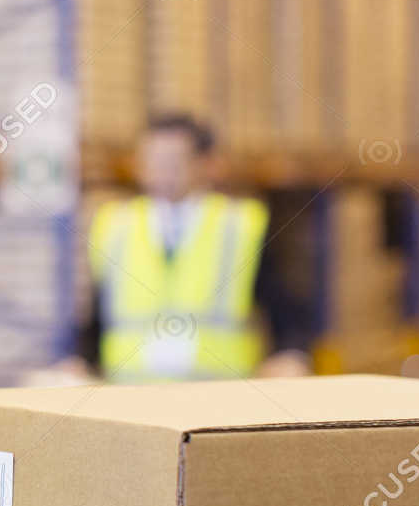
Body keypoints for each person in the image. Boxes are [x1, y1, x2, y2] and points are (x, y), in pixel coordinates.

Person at [59, 114, 312, 383]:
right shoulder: (115, 225)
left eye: (173, 162)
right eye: (152, 162)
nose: (162, 173)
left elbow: (283, 306)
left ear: (206, 164)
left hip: (217, 394)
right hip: (132, 393)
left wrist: (290, 354)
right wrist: (80, 361)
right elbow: (101, 313)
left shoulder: (240, 227)